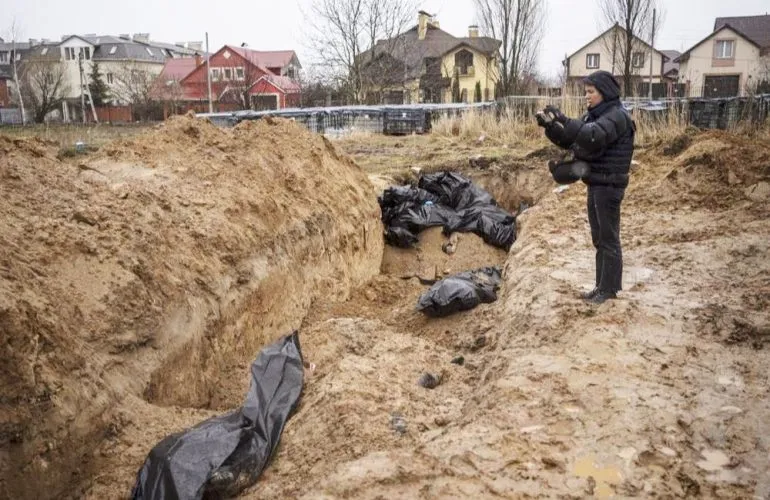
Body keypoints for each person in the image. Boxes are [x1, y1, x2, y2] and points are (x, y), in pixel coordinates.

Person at [536, 70, 635, 304]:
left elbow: (592, 137)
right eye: (586, 92)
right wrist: (551, 127)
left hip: (609, 185)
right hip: (596, 182)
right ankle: (601, 286)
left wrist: (563, 118)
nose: (587, 97)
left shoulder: (617, 116)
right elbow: (573, 140)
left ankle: (609, 290)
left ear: (605, 92)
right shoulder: (595, 115)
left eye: (591, 92)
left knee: (609, 238)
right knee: (599, 238)